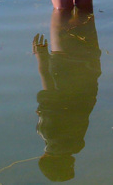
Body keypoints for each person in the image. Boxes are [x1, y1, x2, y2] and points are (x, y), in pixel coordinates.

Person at [32, 10, 101, 181]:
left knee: (83, 12)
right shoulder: (49, 134)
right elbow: (49, 94)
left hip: (90, 69)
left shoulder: (77, 139)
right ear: (43, 159)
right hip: (63, 64)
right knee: (61, 12)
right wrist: (41, 59)